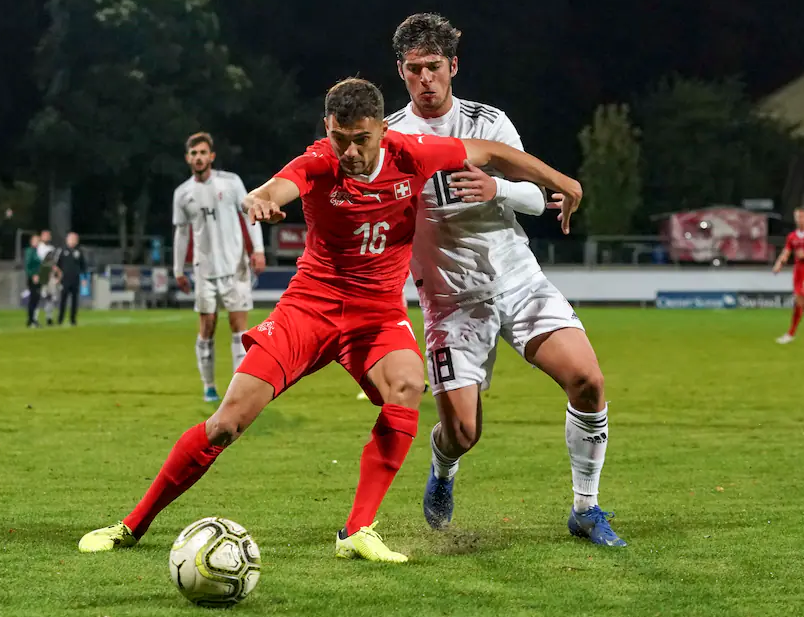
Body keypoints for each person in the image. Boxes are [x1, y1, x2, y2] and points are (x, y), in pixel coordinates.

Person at [77, 78, 582, 562]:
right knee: (226, 424)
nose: (351, 152)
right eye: (341, 138)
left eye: (362, 139)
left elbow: (491, 152)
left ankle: (357, 530)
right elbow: (275, 188)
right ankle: (131, 525)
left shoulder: (413, 153)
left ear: (382, 129)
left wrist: (561, 181)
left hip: (377, 315)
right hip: (310, 309)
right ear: (327, 128)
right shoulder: (320, 161)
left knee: (407, 383)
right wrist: (260, 201)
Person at [387, 13, 625, 547]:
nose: (425, 78)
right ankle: (443, 466)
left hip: (519, 281)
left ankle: (586, 508)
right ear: (401, 71)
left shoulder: (488, 122)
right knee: (462, 433)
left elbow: (538, 198)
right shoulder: (391, 138)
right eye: (414, 69)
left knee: (587, 381)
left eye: (433, 66)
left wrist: (498, 190)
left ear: (453, 66)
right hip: (451, 301)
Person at [172, 132, 267, 402]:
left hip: (235, 266)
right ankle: (209, 387)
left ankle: (238, 393)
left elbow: (249, 214)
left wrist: (258, 250)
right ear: (188, 158)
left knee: (239, 327)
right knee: (207, 327)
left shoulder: (231, 182)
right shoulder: (182, 194)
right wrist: (178, 269)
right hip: (204, 270)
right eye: (194, 153)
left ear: (211, 156)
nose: (198, 158)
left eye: (203, 153)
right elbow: (181, 233)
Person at [773, 207, 804, 344]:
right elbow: (786, 252)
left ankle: (791, 333)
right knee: (798, 302)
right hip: (798, 272)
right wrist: (779, 264)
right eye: (797, 217)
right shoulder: (792, 236)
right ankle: (791, 333)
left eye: (801, 217)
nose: (799, 220)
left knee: (801, 297)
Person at [56, 232, 87, 326]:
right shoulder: (62, 250)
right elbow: (57, 265)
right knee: (63, 300)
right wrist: (57, 277)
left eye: (75, 239)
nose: (73, 241)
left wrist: (84, 279)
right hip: (64, 279)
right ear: (67, 240)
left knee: (74, 300)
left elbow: (83, 266)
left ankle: (73, 319)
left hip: (75, 279)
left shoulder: (79, 251)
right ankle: (60, 319)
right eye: (71, 239)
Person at [37, 230, 58, 326]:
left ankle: (49, 317)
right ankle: (35, 318)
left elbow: (54, 262)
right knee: (40, 296)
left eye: (48, 236)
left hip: (50, 275)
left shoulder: (52, 248)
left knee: (51, 296)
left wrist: (55, 274)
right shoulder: (38, 248)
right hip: (42, 274)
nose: (46, 237)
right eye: (44, 235)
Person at [24, 235, 42, 328]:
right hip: (33, 278)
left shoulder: (36, 251)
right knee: (33, 298)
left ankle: (32, 319)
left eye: (38, 241)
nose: (37, 242)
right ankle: (31, 320)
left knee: (36, 298)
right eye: (35, 241)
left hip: (38, 277)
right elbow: (28, 265)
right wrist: (33, 275)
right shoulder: (30, 251)